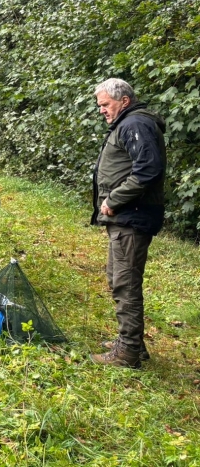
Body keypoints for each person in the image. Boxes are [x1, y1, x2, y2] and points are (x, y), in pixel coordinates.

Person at [89, 78, 166, 368]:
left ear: (124, 101)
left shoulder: (135, 124)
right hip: (127, 215)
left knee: (126, 284)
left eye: (105, 105)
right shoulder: (130, 123)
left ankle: (128, 352)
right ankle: (131, 341)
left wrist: (114, 200)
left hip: (131, 215)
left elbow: (148, 170)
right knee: (118, 277)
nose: (102, 111)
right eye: (100, 106)